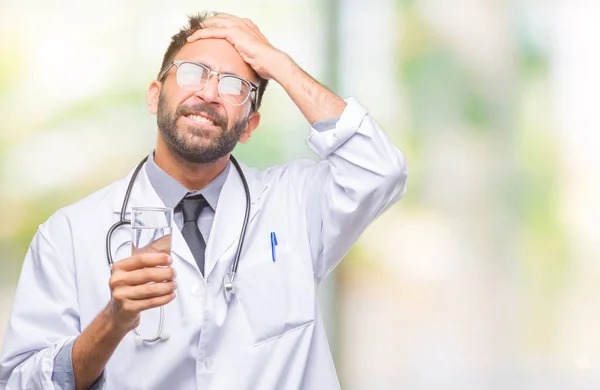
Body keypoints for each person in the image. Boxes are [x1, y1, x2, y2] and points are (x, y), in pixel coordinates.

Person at [0, 11, 408, 390]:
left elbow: (379, 168)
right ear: (154, 95)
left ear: (249, 125)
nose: (211, 92)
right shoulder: (68, 235)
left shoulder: (295, 203)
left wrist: (277, 63)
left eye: (235, 85)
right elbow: (20, 381)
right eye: (194, 73)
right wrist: (113, 321)